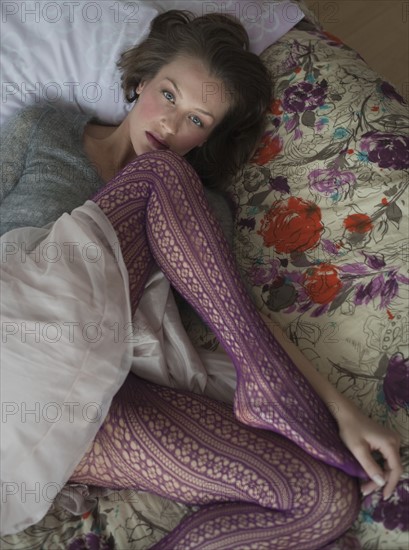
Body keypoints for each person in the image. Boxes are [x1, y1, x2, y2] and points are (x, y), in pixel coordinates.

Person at [0, 10, 402, 548]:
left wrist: (342, 410)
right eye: (168, 95)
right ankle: (267, 388)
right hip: (14, 339)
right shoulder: (46, 126)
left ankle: (269, 389)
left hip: (76, 404)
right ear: (140, 80)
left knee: (320, 500)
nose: (170, 125)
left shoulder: (199, 207)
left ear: (210, 136)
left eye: (196, 120)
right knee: (159, 175)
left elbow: (236, 314)